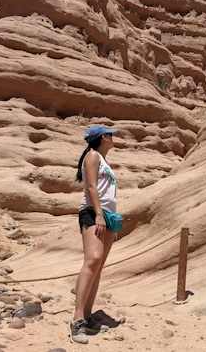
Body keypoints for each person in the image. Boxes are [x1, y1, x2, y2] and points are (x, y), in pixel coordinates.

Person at [69, 125, 118, 344]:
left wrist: (109, 220)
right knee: (92, 260)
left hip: (108, 216)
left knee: (98, 267)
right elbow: (90, 187)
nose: (113, 137)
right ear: (102, 138)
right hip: (92, 212)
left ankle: (88, 317)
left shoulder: (104, 160)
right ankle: (77, 319)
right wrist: (98, 215)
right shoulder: (92, 155)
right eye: (110, 134)